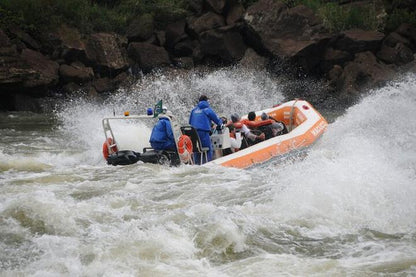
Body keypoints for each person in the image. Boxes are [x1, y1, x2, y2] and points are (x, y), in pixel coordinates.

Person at [189, 95, 223, 164]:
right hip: (203, 133)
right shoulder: (208, 110)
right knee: (209, 149)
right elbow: (217, 121)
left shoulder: (193, 110)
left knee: (197, 149)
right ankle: (208, 164)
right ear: (206, 101)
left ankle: (196, 164)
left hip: (193, 133)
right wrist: (221, 122)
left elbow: (190, 122)